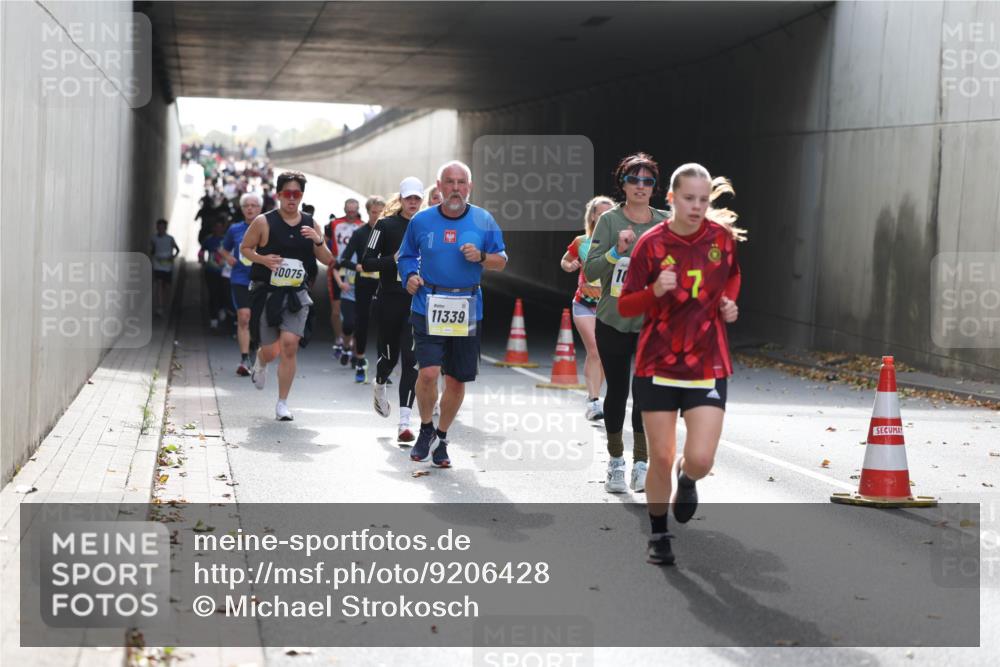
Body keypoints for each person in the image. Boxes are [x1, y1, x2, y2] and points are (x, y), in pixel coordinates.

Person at [617, 162, 743, 566]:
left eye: (704, 200)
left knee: (701, 458)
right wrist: (654, 290)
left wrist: (728, 303)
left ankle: (688, 481)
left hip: (707, 362)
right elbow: (626, 304)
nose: (697, 206)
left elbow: (733, 276)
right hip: (658, 364)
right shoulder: (650, 244)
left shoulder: (721, 239)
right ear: (671, 199)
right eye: (689, 199)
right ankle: (658, 532)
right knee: (662, 457)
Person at [397, 161, 508, 468]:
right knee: (429, 372)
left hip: (466, 307)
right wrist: (409, 276)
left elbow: (501, 260)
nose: (456, 188)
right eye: (450, 182)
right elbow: (405, 255)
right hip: (427, 303)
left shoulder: (483, 220)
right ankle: (425, 429)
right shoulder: (421, 221)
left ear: (469, 187)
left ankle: (442, 438)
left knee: (456, 381)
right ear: (440, 186)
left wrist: (482, 256)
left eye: (461, 182)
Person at [583, 153, 668, 495]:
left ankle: (641, 464)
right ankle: (616, 460)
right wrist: (617, 252)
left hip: (651, 323)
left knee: (645, 393)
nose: (641, 187)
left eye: (648, 181)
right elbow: (590, 272)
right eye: (635, 180)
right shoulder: (609, 222)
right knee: (617, 391)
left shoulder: (664, 223)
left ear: (654, 187)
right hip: (613, 319)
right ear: (623, 184)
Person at [240, 171, 334, 421]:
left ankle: (282, 403)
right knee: (271, 350)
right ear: (279, 195)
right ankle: (260, 361)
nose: (292, 199)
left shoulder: (310, 223)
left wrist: (318, 240)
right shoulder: (263, 222)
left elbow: (328, 259)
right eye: (288, 194)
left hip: (296, 294)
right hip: (269, 294)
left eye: (297, 194)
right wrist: (262, 259)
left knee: (290, 345)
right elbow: (245, 248)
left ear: (302, 196)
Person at [362, 179, 424, 442]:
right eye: (408, 198)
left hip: (416, 303)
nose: (413, 203)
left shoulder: (428, 225)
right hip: (389, 301)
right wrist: (394, 260)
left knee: (412, 362)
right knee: (389, 358)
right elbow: (367, 263)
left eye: (417, 199)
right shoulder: (384, 225)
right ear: (400, 198)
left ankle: (404, 422)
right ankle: (379, 383)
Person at [560, 196, 614, 421]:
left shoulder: (619, 243)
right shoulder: (581, 242)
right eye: (601, 215)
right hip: (583, 304)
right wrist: (570, 265)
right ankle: (593, 401)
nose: (605, 219)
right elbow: (565, 260)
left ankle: (595, 398)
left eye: (609, 215)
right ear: (593, 216)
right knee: (594, 350)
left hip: (607, 306)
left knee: (602, 353)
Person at [338, 196, 386, 382]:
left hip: (384, 283)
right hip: (364, 283)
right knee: (362, 322)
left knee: (385, 322)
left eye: (381, 213)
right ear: (368, 212)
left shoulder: (388, 231)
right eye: (374, 213)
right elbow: (344, 259)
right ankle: (359, 360)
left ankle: (384, 365)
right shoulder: (359, 233)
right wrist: (358, 267)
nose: (377, 216)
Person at [219, 192, 262, 375]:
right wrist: (228, 257)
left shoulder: (267, 228)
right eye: (246, 206)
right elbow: (223, 248)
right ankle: (244, 359)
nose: (250, 208)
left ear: (260, 209)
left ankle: (257, 352)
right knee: (244, 316)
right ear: (242, 209)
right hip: (240, 279)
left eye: (253, 205)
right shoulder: (235, 229)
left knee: (258, 320)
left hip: (261, 281)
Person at [325, 199, 364, 364]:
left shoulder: (363, 226)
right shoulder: (335, 224)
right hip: (338, 266)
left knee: (354, 312)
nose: (351, 214)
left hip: (354, 268)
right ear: (344, 209)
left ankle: (350, 341)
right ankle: (339, 338)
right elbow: (323, 242)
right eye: (348, 210)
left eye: (354, 211)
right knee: (336, 310)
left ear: (358, 210)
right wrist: (330, 257)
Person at [199, 219, 229, 329]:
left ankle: (222, 308)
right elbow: (201, 251)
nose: (218, 229)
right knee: (212, 294)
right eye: (216, 227)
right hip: (210, 271)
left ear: (223, 228)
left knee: (224, 293)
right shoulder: (208, 240)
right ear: (213, 228)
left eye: (220, 227)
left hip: (225, 272)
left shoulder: (227, 239)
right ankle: (213, 318)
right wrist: (201, 259)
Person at [149, 218, 180, 318]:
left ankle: (165, 305)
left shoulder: (170, 239)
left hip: (167, 266)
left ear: (165, 228)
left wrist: (173, 257)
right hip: (158, 264)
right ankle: (160, 307)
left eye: (163, 227)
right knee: (158, 284)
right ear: (157, 228)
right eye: (159, 227)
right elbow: (152, 250)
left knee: (166, 287)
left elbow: (177, 249)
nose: (161, 229)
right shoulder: (154, 238)